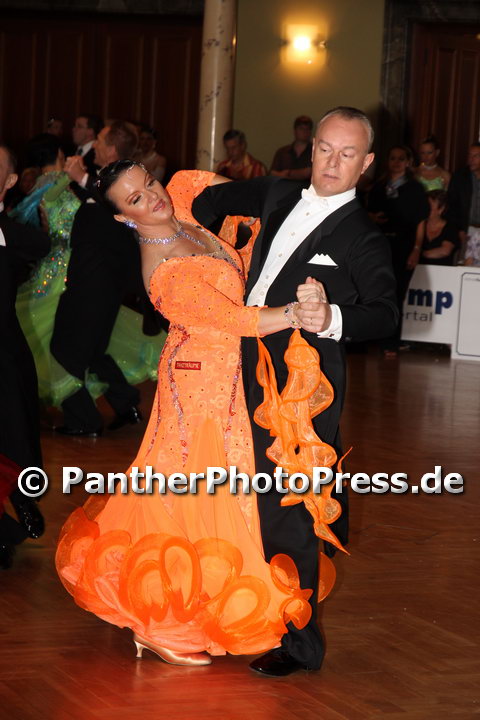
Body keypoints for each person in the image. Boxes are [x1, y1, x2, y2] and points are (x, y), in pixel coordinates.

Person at [56, 161, 337, 666]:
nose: (153, 197)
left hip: (231, 375)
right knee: (197, 492)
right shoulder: (164, 271)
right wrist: (299, 313)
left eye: (149, 183)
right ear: (123, 218)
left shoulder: (180, 202)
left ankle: (200, 604)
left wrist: (285, 203)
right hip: (199, 386)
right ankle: (162, 619)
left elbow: (224, 188)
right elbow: (237, 319)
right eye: (136, 199)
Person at [192, 106, 398, 675]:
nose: (333, 162)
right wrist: (213, 258)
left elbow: (385, 313)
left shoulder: (362, 236)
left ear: (366, 163)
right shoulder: (278, 193)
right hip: (233, 360)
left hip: (300, 390)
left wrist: (330, 316)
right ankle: (233, 612)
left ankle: (300, 643)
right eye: (325, 149)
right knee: (226, 493)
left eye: (347, 154)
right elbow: (205, 203)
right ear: (311, 149)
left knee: (289, 511)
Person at [50, 121, 163, 435]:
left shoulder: (117, 185)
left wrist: (81, 178)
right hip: (100, 279)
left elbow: (111, 206)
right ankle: (125, 403)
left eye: (99, 140)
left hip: (95, 281)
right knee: (93, 350)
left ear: (111, 149)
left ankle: (84, 421)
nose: (95, 144)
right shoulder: (104, 181)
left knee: (65, 349)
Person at [0, 145, 49, 568]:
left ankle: (20, 497)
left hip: (3, 352)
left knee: (13, 433)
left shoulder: (18, 237)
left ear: (10, 181)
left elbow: (38, 245)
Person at [368, 144, 429, 355]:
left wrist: (416, 249)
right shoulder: (379, 186)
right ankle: (372, 339)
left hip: (404, 246)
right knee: (376, 292)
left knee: (397, 293)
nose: (396, 162)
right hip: (380, 246)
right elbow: (366, 214)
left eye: (401, 158)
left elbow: (421, 221)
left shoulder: (415, 188)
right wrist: (372, 217)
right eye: (392, 158)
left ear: (408, 162)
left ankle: (391, 341)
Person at [448, 142, 480, 266]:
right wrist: (459, 229)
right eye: (469, 155)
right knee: (464, 267)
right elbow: (452, 206)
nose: (471, 159)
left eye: (475, 156)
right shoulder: (459, 177)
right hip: (466, 230)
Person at [419, 190, 458, 266]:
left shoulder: (451, 228)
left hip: (441, 270)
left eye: (429, 207)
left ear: (441, 209)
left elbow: (445, 251)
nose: (424, 209)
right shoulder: (419, 225)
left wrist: (419, 254)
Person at [270, 115, 313, 181]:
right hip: (284, 187)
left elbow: (309, 173)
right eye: (301, 128)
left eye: (307, 129)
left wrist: (287, 173)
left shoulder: (315, 151)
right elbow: (272, 173)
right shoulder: (282, 152)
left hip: (307, 187)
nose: (304, 132)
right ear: (295, 131)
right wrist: (299, 174)